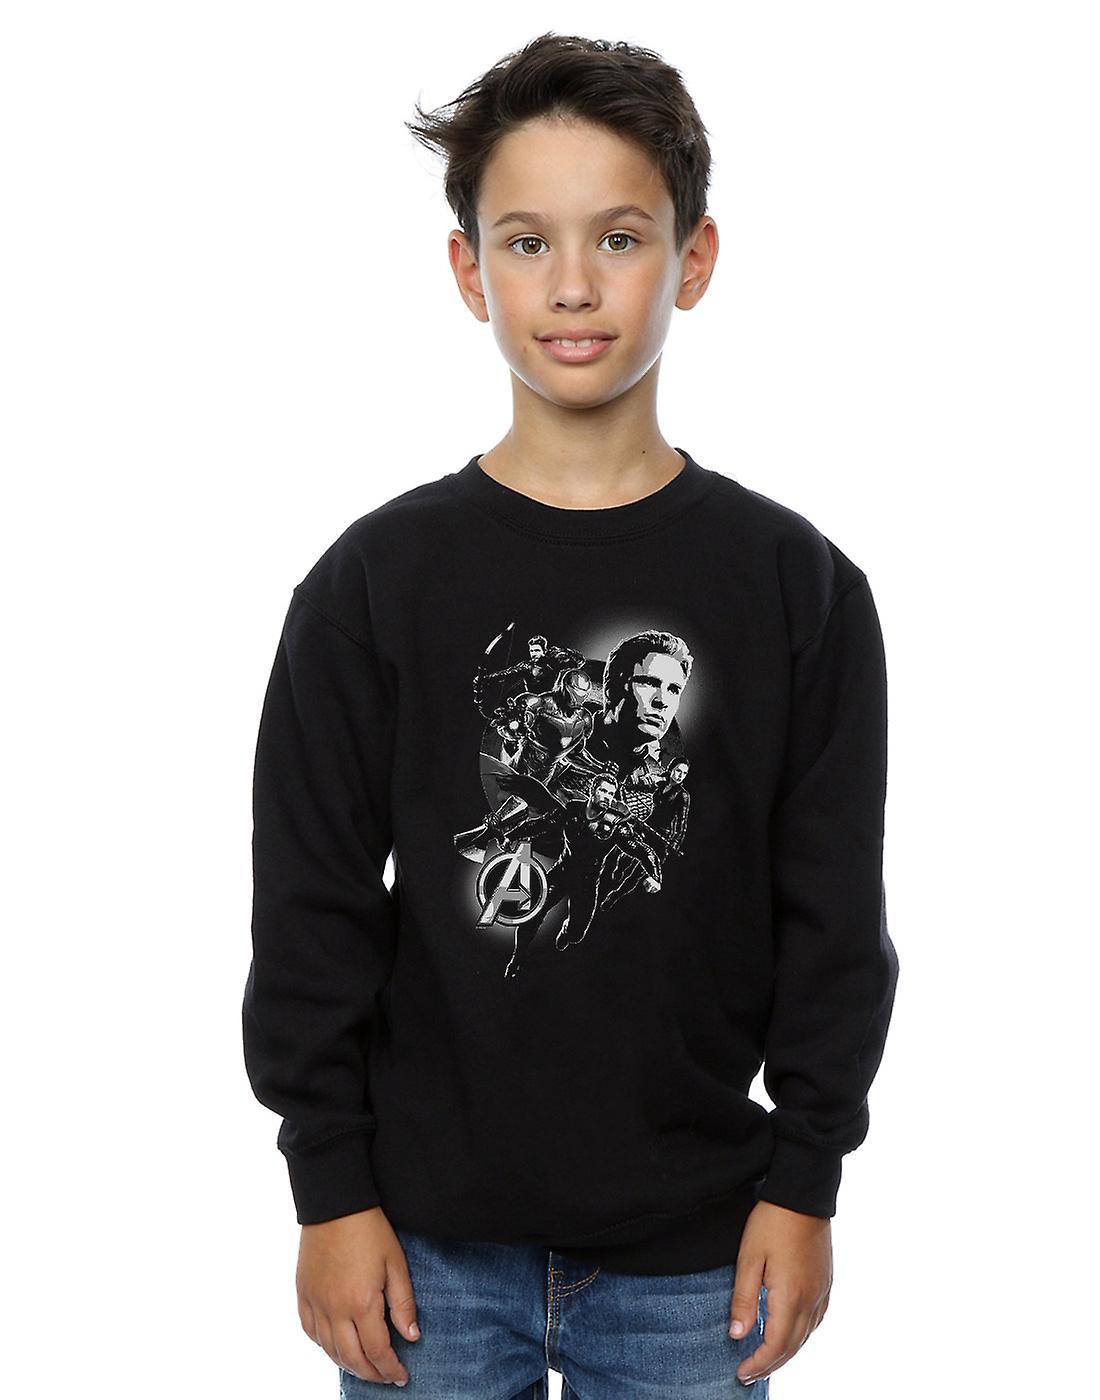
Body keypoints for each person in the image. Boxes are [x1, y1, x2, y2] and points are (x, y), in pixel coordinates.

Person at [242, 30, 899, 1398]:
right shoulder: (376, 584)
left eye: (621, 237)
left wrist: (807, 1176)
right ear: (467, 270)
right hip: (421, 1251)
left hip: (697, 1253)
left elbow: (833, 914)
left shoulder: (798, 589)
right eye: (528, 242)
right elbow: (311, 902)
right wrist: (327, 1186)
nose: (575, 285)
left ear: (694, 259)